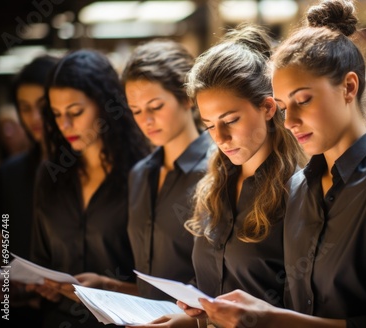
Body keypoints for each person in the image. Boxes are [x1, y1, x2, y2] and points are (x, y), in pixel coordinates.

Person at [191, 1, 366, 327]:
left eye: (303, 101)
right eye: (283, 106)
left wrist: (268, 318)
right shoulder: (300, 186)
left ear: (349, 87)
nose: (289, 120)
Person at [131, 24, 307, 328]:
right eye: (210, 125)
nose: (221, 137)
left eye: (231, 120)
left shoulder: (298, 190)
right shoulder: (214, 184)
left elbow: (302, 309)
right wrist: (187, 318)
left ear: (267, 107)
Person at [26, 49, 150, 327]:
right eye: (57, 114)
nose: (65, 125)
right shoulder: (50, 175)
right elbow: (40, 259)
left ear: (106, 106)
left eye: (76, 112)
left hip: (127, 321)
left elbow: (161, 284)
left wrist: (108, 286)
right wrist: (39, 285)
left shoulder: (143, 173)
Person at [121, 39, 212, 300]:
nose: (146, 121)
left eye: (156, 107)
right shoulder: (138, 175)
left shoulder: (217, 169)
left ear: (186, 98)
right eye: (136, 111)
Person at [0, 54, 59, 328]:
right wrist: (5, 283)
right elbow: (3, 237)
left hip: (72, 307)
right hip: (16, 309)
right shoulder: (11, 172)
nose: (34, 117)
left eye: (43, 107)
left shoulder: (86, 170)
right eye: (24, 107)